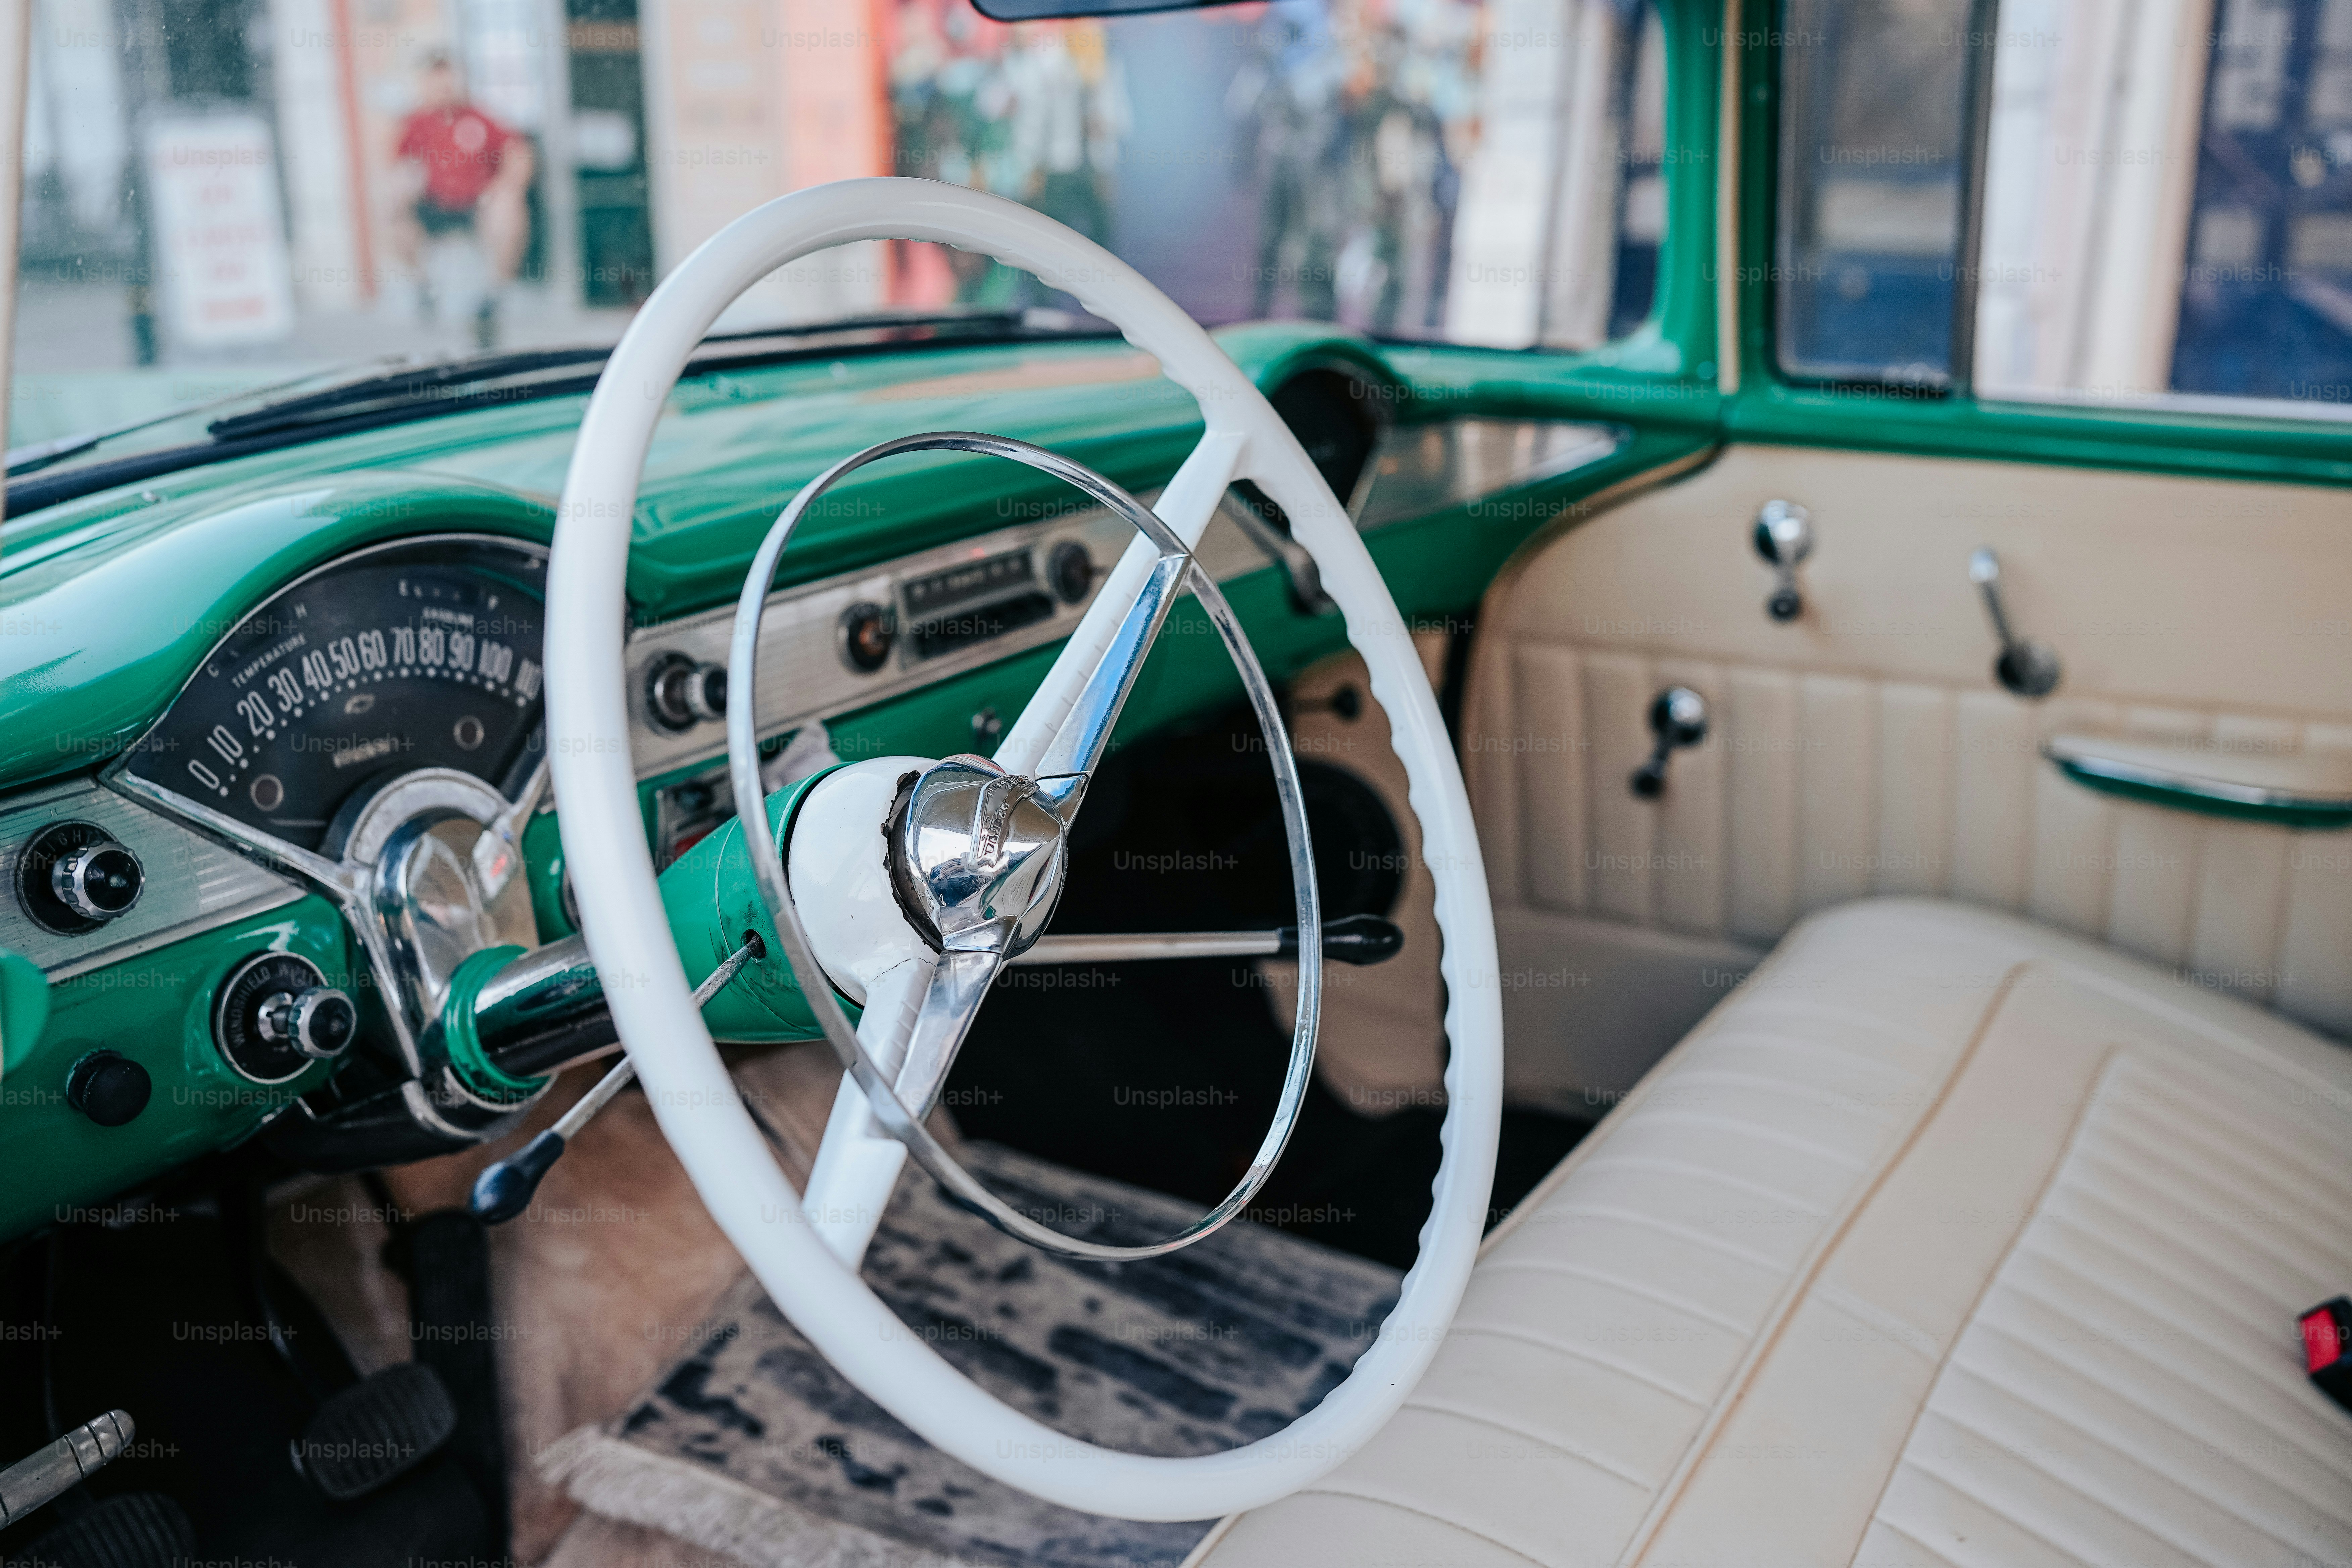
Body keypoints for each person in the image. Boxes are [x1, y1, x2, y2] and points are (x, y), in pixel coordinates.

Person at [391, 51, 533, 348]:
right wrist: (404, 185)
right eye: (436, 78)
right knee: (391, 210)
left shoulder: (481, 118)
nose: (444, 86)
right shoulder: (416, 123)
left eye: (449, 78)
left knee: (509, 210)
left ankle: (493, 297)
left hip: (476, 204)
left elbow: (519, 153)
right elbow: (396, 163)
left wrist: (505, 186)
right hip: (432, 204)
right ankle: (422, 285)